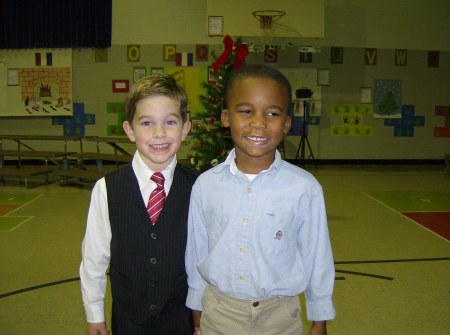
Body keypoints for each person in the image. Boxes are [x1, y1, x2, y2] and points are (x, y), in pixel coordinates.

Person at [185, 64, 335, 335]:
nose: (258, 122)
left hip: (280, 316)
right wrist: (196, 309)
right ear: (226, 117)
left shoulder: (304, 188)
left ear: (287, 124)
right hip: (219, 313)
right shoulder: (206, 186)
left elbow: (317, 257)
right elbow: (197, 251)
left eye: (272, 113)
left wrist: (319, 318)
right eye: (246, 111)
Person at [80, 74, 197, 335]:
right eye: (146, 123)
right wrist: (94, 315)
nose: (159, 133)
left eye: (170, 122)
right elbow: (94, 259)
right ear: (129, 130)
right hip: (129, 321)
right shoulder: (107, 189)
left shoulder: (199, 188)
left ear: (185, 128)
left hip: (182, 321)